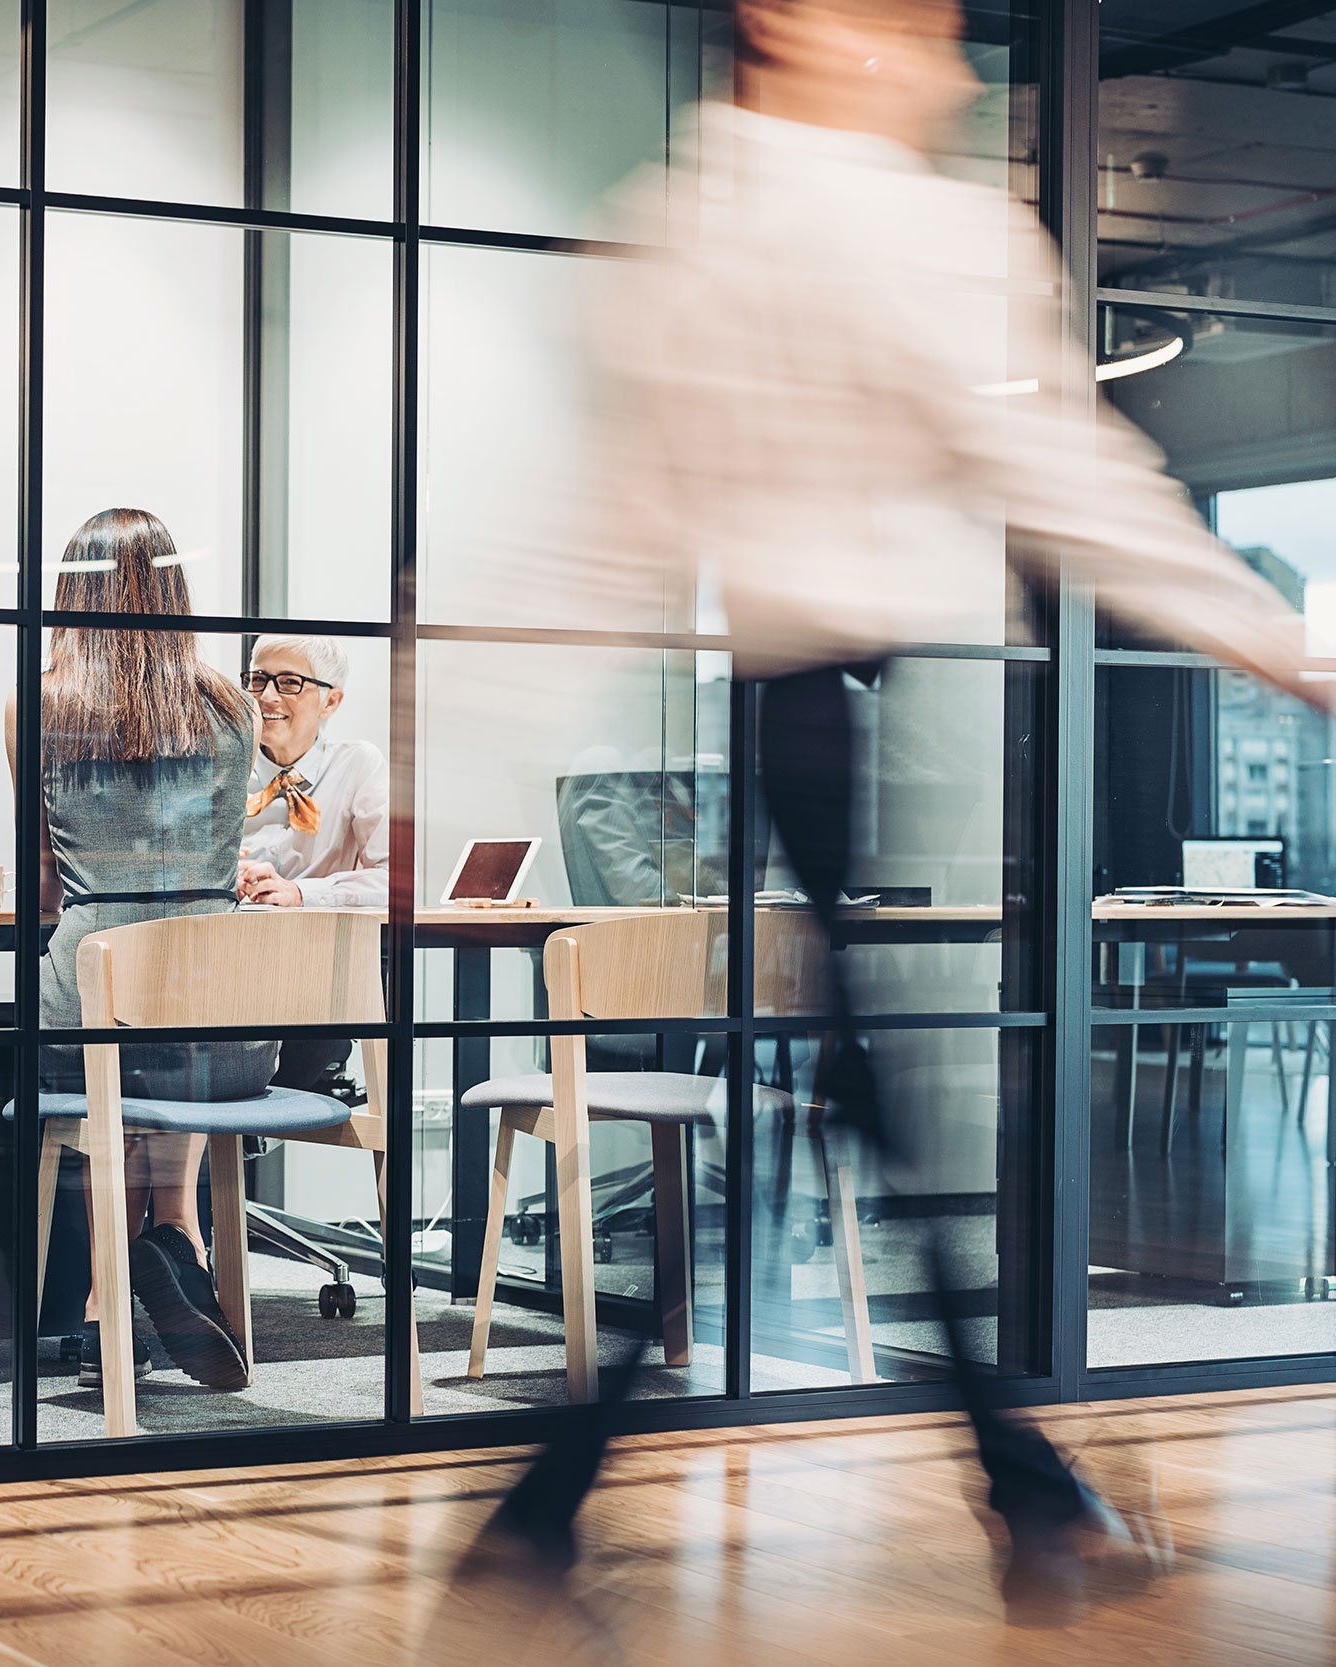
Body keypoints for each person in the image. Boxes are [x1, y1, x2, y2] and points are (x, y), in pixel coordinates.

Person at [459, 0, 1327, 1625]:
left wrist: (469, 703)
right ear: (800, 26)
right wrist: (1278, 645)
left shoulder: (684, 222)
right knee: (863, 1112)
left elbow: (613, 519)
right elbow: (1067, 478)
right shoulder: (907, 229)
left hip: (796, 708)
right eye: (907, 14)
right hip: (837, 713)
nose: (940, 41)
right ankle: (1010, 1486)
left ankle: (582, 1495)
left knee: (840, 1111)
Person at [7, 508, 272, 1393]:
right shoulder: (235, 707)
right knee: (175, 1007)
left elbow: (44, 882)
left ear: (71, 595)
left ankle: (103, 1291)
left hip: (99, 1003)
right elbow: (220, 862)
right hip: (232, 1030)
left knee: (114, 1029)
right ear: (178, 591)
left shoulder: (38, 701)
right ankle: (177, 1235)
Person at [235, 633, 389, 1097]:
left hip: (314, 975)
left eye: (289, 682)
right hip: (226, 967)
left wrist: (302, 894)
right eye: (258, 680)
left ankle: (248, 1127)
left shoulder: (358, 764)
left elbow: (396, 880)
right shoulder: (221, 762)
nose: (266, 696)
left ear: (330, 701)